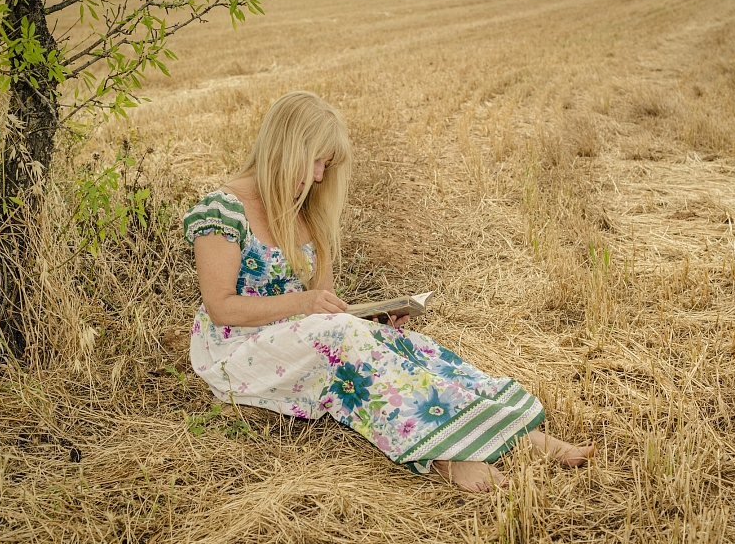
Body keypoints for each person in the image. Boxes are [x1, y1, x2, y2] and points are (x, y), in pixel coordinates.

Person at [183, 91, 596, 492]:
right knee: (343, 339)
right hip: (237, 348)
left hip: (298, 336)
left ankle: (514, 432)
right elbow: (221, 308)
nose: (319, 176)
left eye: (325, 165)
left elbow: (322, 308)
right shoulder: (222, 209)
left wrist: (369, 319)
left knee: (406, 344)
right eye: (316, 161)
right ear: (287, 148)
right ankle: (444, 452)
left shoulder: (307, 213)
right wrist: (309, 305)